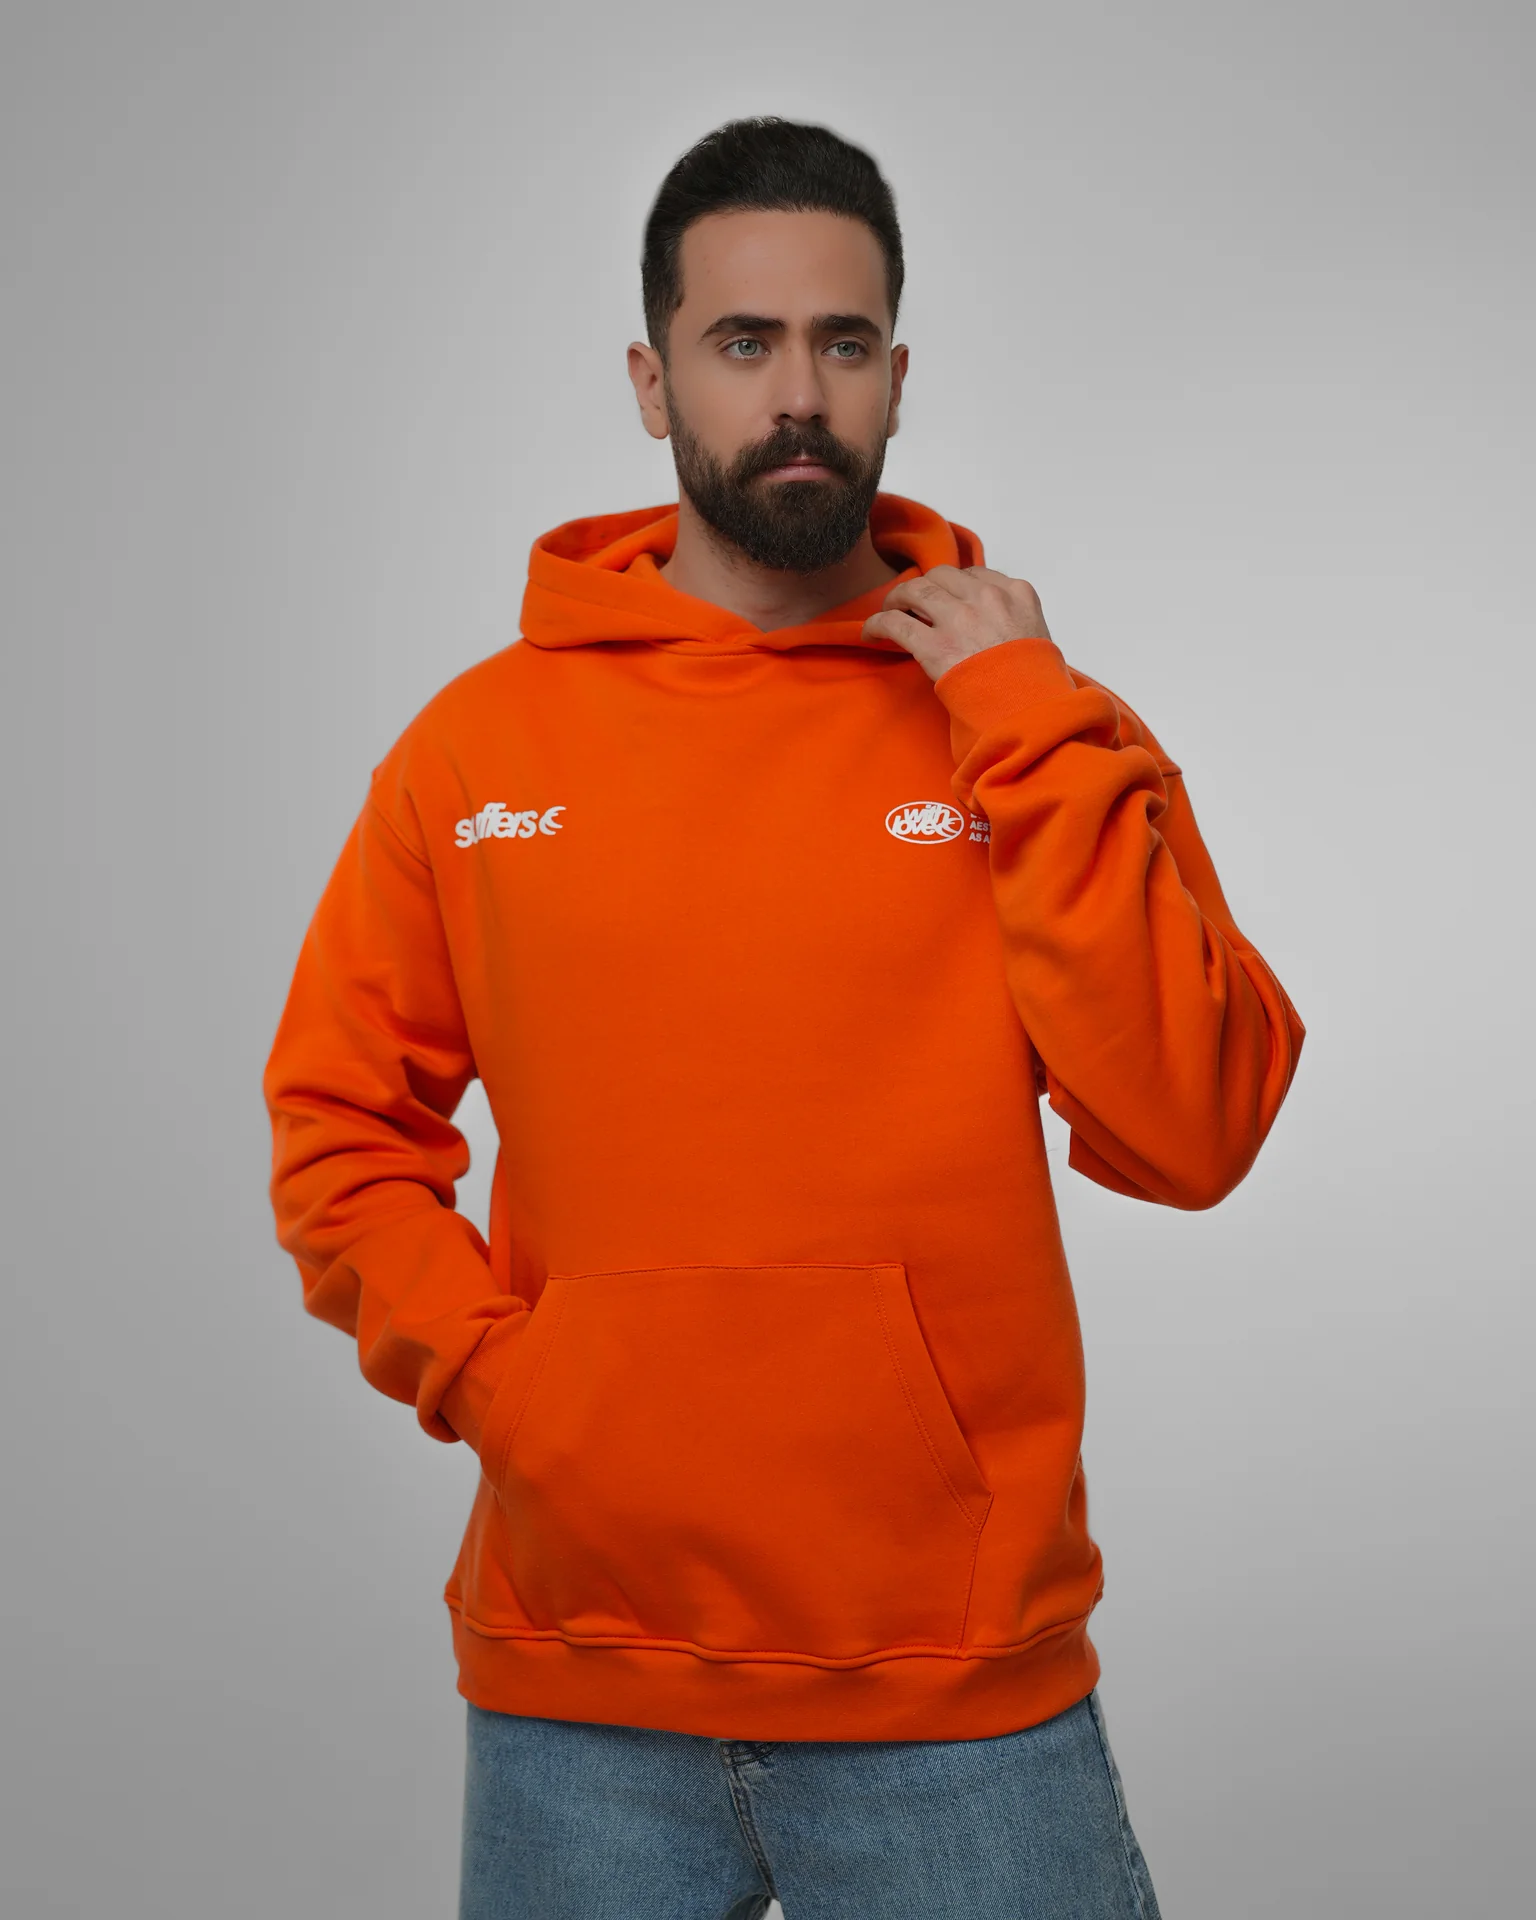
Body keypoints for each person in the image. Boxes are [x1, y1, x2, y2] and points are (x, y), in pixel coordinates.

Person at [263, 115, 1305, 1920]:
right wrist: (512, 1386)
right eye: (743, 343)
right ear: (653, 382)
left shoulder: (1034, 725)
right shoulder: (477, 749)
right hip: (577, 1690)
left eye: (842, 342)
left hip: (957, 1702)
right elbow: (340, 1130)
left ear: (897, 374)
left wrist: (1025, 721)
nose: (798, 394)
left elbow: (1192, 1128)